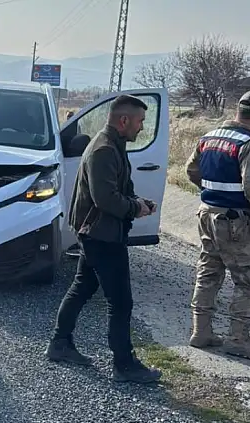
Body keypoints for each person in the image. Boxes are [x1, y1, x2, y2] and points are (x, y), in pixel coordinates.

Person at [44, 94, 162, 384]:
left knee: (82, 286)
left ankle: (60, 344)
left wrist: (137, 201)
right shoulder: (104, 149)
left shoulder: (113, 145)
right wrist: (135, 208)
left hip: (99, 232)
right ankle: (123, 364)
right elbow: (104, 199)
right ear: (124, 120)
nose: (141, 129)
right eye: (139, 122)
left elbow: (117, 189)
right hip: (101, 235)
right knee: (120, 302)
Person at [184, 90, 250, 360]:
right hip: (236, 220)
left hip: (207, 214)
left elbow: (192, 171)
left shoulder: (209, 137)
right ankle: (238, 339)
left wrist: (213, 192)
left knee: (209, 272)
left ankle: (201, 331)